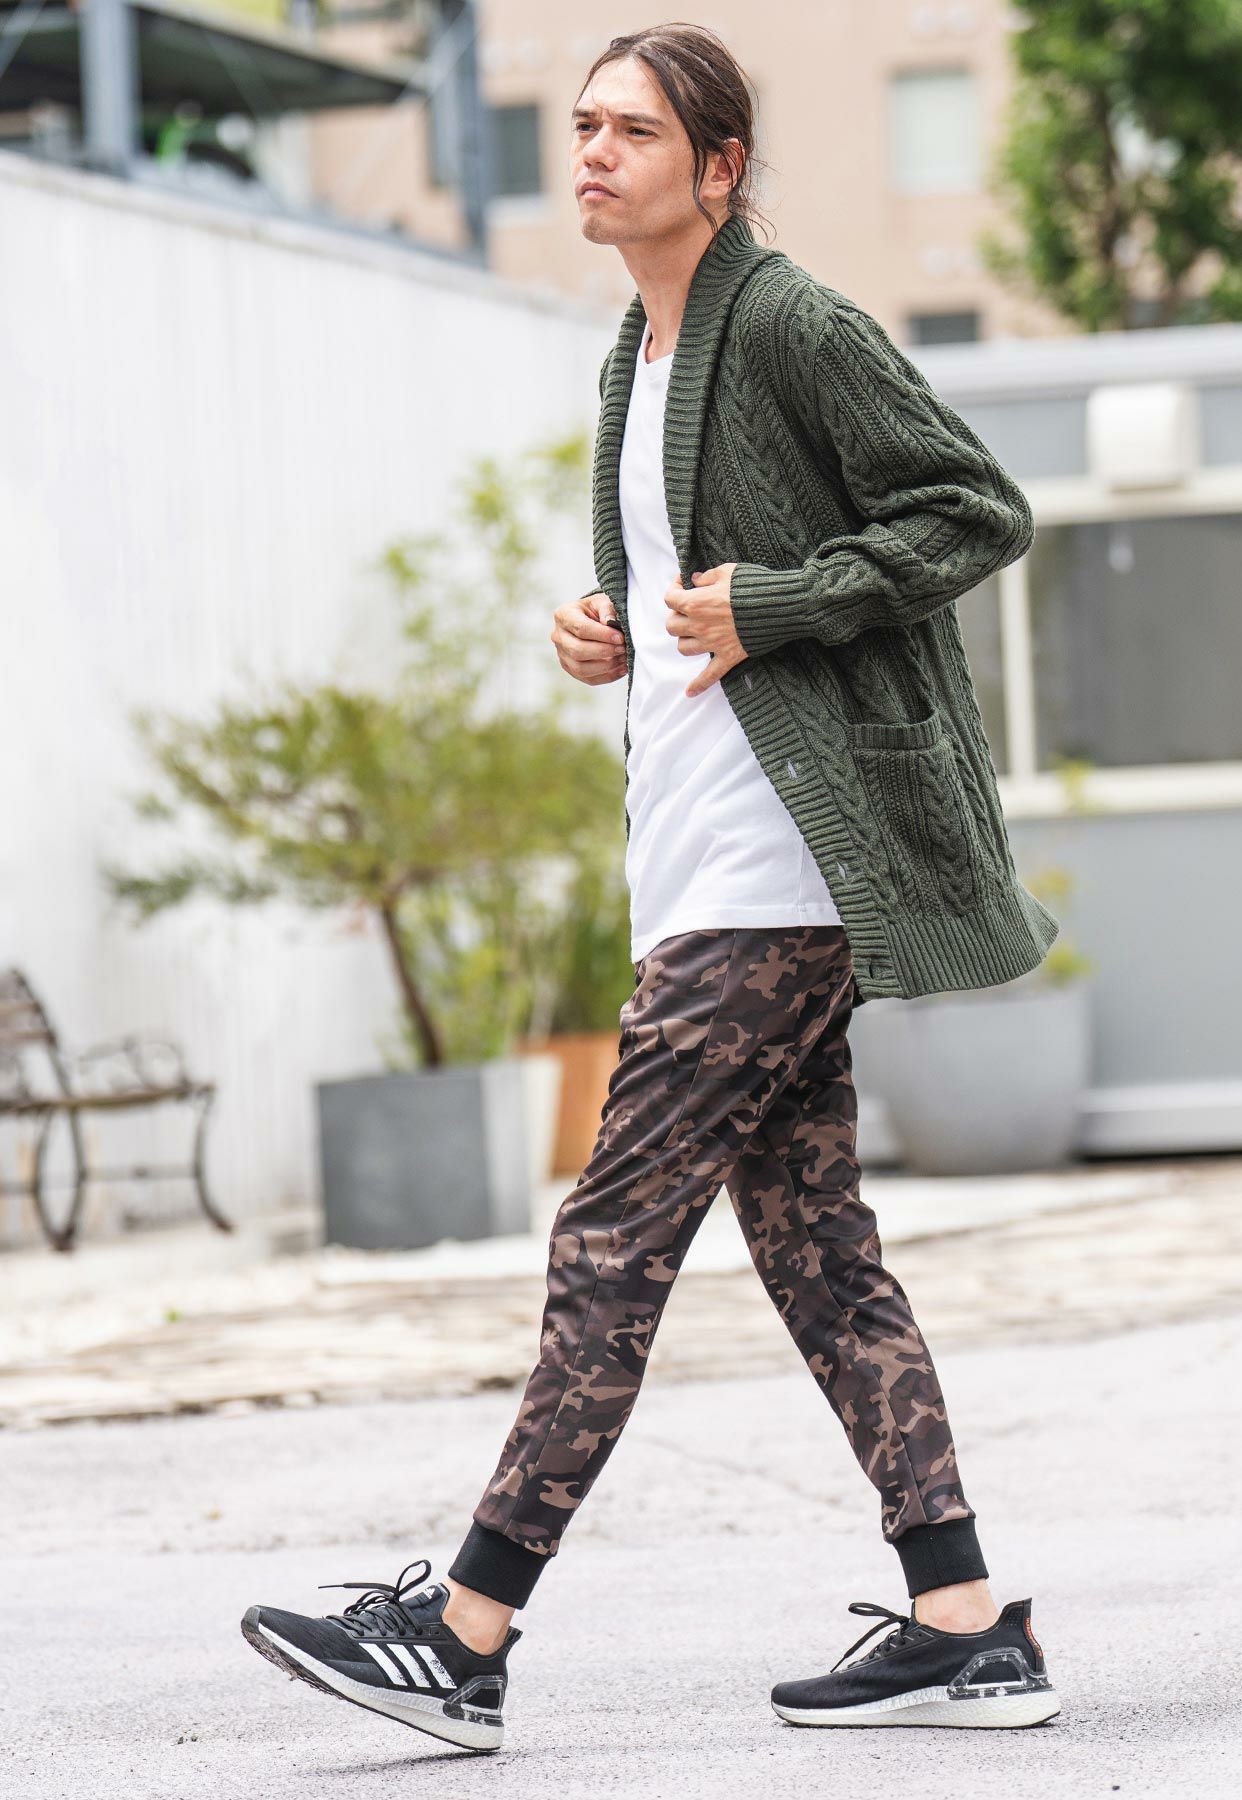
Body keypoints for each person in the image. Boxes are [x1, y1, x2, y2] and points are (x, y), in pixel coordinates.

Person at [241, 22, 1062, 1753]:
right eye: (586, 126)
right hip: (697, 853)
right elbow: (686, 585)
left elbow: (975, 510)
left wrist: (782, 602)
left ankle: (466, 1629)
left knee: (611, 1238)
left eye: (631, 130)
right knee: (819, 1252)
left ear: (720, 166)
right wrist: (607, 624)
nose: (594, 154)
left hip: (777, 868)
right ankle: (967, 1622)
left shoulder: (797, 326)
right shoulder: (640, 348)